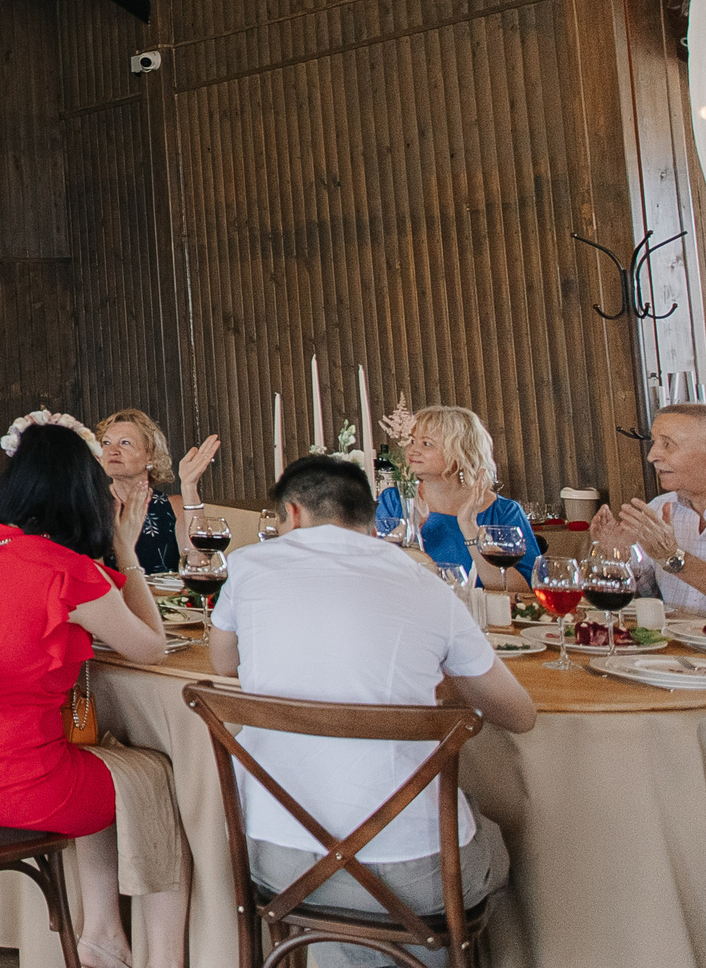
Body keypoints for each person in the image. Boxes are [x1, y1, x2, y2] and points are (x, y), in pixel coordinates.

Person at [210, 456, 535, 965]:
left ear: (291, 514)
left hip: (277, 862)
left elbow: (224, 664)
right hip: (418, 877)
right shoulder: (426, 585)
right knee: (495, 837)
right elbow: (519, 715)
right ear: (367, 518)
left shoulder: (249, 567)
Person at [0, 417, 189, 968]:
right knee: (154, 777)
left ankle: (102, 935)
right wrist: (127, 549)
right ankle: (160, 956)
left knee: (98, 761)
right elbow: (151, 648)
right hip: (16, 785)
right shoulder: (65, 571)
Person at [590, 402, 706, 622]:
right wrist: (618, 559)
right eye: (654, 443)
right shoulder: (659, 508)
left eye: (668, 444)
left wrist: (674, 559)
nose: (652, 456)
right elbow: (648, 598)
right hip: (673, 651)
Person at [375, 407, 541, 589]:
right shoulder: (394, 501)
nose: (413, 451)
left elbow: (525, 590)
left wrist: (469, 526)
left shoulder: (504, 512)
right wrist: (410, 527)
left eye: (426, 444)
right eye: (411, 441)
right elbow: (371, 572)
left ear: (461, 452)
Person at [97, 411, 220, 575]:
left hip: (167, 600)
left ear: (150, 456)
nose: (112, 450)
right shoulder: (91, 507)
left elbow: (200, 568)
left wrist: (189, 487)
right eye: (106, 443)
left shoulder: (174, 507)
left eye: (125, 443)